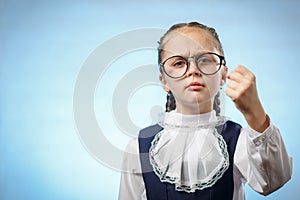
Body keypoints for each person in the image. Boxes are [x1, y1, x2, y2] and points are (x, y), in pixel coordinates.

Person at [118, 22, 292, 200]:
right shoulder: (139, 147)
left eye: (206, 60)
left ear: (223, 75)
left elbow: (271, 182)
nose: (193, 70)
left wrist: (256, 114)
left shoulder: (240, 139)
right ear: (164, 81)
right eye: (179, 63)